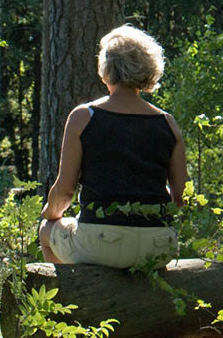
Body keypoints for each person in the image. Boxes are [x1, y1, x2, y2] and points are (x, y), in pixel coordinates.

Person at [38, 25, 188, 269]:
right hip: (159, 247)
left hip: (101, 243)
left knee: (47, 231)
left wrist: (50, 215)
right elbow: (182, 196)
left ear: (106, 68)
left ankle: (70, 303)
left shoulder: (83, 117)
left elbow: (65, 191)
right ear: (149, 69)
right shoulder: (168, 123)